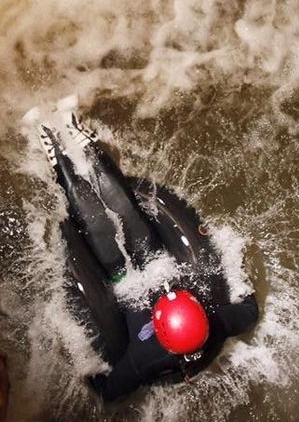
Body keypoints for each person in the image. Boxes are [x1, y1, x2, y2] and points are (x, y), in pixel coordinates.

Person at [38, 111, 259, 402]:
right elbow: (250, 311)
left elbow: (109, 391)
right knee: (129, 217)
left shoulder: (144, 358)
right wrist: (236, 267)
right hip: (156, 263)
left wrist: (85, 372)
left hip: (122, 281)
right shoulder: (217, 323)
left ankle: (61, 155)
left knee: (101, 230)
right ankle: (75, 144)